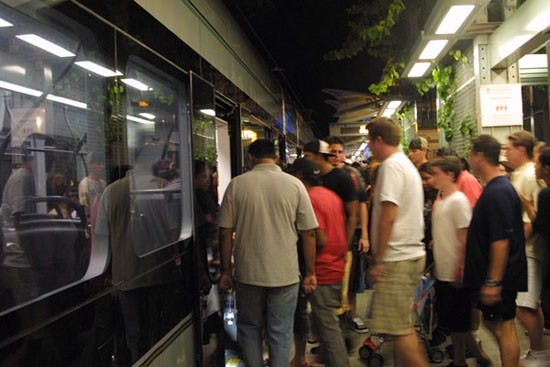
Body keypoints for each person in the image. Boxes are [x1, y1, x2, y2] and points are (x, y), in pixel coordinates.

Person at [218, 139, 318, 367]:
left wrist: (226, 270)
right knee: (280, 331)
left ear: (251, 158)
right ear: (276, 157)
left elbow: (225, 232)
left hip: (248, 274)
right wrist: (311, 272)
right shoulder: (294, 185)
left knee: (249, 328)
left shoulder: (237, 185)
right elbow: (309, 233)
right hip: (285, 274)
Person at [366, 117, 428, 366]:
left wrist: (379, 259)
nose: (369, 148)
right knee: (401, 324)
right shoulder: (405, 165)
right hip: (409, 254)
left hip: (397, 257)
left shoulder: (391, 166)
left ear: (379, 140)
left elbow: (388, 216)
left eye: (370, 142)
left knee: (399, 328)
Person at [463, 135, 527, 367]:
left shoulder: (497, 192)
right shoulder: (496, 188)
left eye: (471, 154)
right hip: (496, 275)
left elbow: (501, 241)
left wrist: (493, 281)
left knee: (504, 328)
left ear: (480, 155)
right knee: (496, 325)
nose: (470, 159)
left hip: (500, 276)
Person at [288, 158, 350, 367]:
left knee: (328, 331)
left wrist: (309, 269)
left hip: (323, 269)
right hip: (336, 264)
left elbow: (318, 238)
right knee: (328, 327)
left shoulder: (310, 199)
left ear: (299, 177)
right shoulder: (331, 196)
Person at [429, 157, 489, 367]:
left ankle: (465, 359)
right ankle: (474, 358)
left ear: (450, 174)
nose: (432, 178)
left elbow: (465, 237)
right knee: (456, 322)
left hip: (455, 273)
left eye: (436, 174)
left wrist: (460, 267)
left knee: (459, 321)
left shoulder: (459, 201)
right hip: (444, 270)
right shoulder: (442, 199)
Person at [504, 131, 548, 364]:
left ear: (522, 149)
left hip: (530, 251)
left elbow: (533, 216)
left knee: (524, 306)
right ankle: (537, 349)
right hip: (526, 249)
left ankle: (539, 352)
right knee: (529, 304)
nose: (505, 153)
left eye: (509, 148)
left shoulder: (530, 175)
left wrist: (516, 248)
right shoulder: (519, 174)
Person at [326, 136, 369, 333]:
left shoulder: (352, 175)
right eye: (332, 152)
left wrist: (365, 235)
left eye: (339, 152)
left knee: (351, 280)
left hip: (349, 236)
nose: (336, 156)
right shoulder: (321, 176)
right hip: (327, 237)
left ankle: (352, 315)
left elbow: (362, 205)